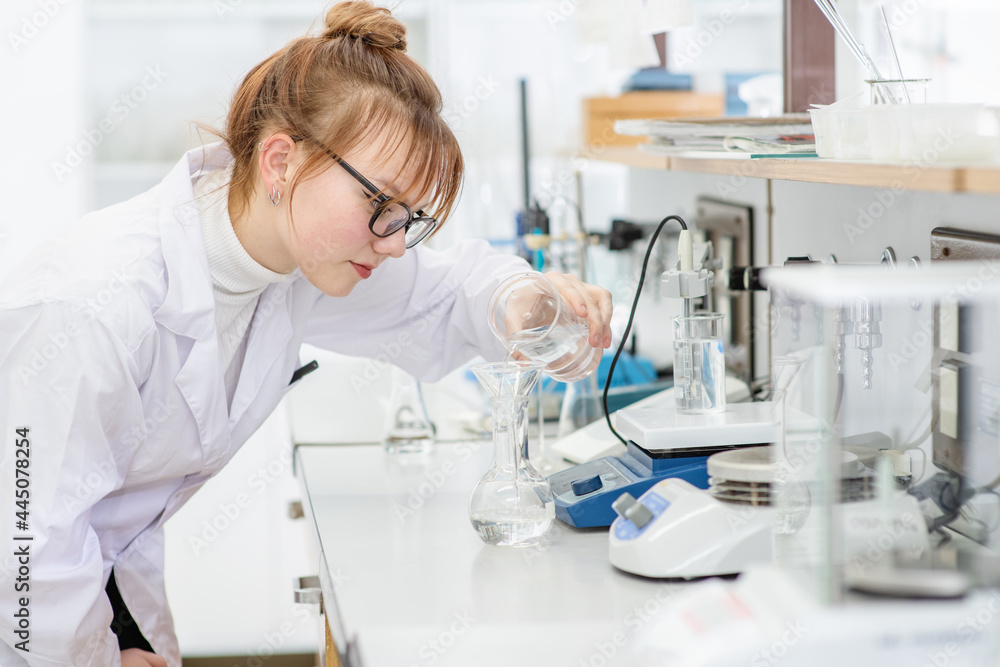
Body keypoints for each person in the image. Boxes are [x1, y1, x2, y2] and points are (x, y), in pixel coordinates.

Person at [0, 2, 612, 665]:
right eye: (380, 205)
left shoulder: (290, 264)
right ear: (280, 162)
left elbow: (448, 293)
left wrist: (525, 302)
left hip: (106, 593)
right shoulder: (90, 302)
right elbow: (24, 548)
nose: (396, 243)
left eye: (410, 218)